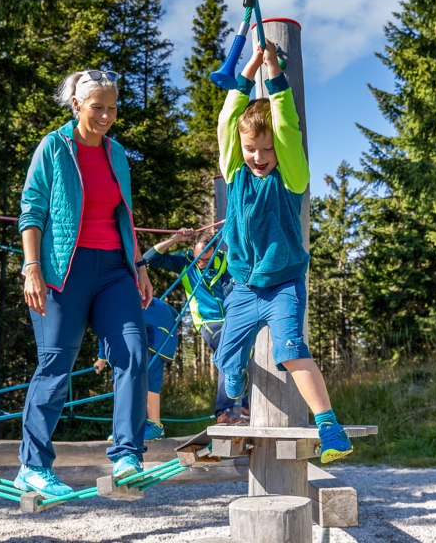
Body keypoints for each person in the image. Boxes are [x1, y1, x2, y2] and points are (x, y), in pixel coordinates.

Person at [17, 68, 154, 498]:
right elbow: (31, 211)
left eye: (112, 108)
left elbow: (124, 215)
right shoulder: (54, 148)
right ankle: (33, 467)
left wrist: (140, 266)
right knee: (56, 365)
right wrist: (32, 267)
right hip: (63, 270)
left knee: (133, 351)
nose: (106, 116)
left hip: (115, 270)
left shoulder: (116, 154)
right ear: (76, 105)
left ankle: (128, 455)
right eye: (98, 107)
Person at [214, 41, 353, 463]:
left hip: (282, 286)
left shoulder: (291, 176)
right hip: (242, 287)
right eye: (252, 149)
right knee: (225, 358)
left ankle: (330, 427)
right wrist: (248, 67)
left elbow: (287, 127)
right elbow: (227, 121)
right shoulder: (234, 170)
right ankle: (234, 382)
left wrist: (273, 70)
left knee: (291, 352)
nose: (259, 157)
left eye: (267, 150)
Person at [142, 228, 249, 424]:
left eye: (206, 259)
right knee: (227, 350)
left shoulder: (227, 261)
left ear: (215, 251)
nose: (202, 262)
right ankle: (224, 410)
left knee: (248, 353)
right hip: (208, 322)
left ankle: (246, 406)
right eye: (198, 257)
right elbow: (148, 258)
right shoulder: (184, 261)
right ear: (193, 250)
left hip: (232, 320)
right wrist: (176, 239)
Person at [95, 296, 180, 441]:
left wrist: (102, 358)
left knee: (129, 379)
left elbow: (105, 329)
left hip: (148, 335)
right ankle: (142, 426)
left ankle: (139, 427)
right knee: (141, 379)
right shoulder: (150, 302)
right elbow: (175, 314)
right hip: (159, 336)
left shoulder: (110, 301)